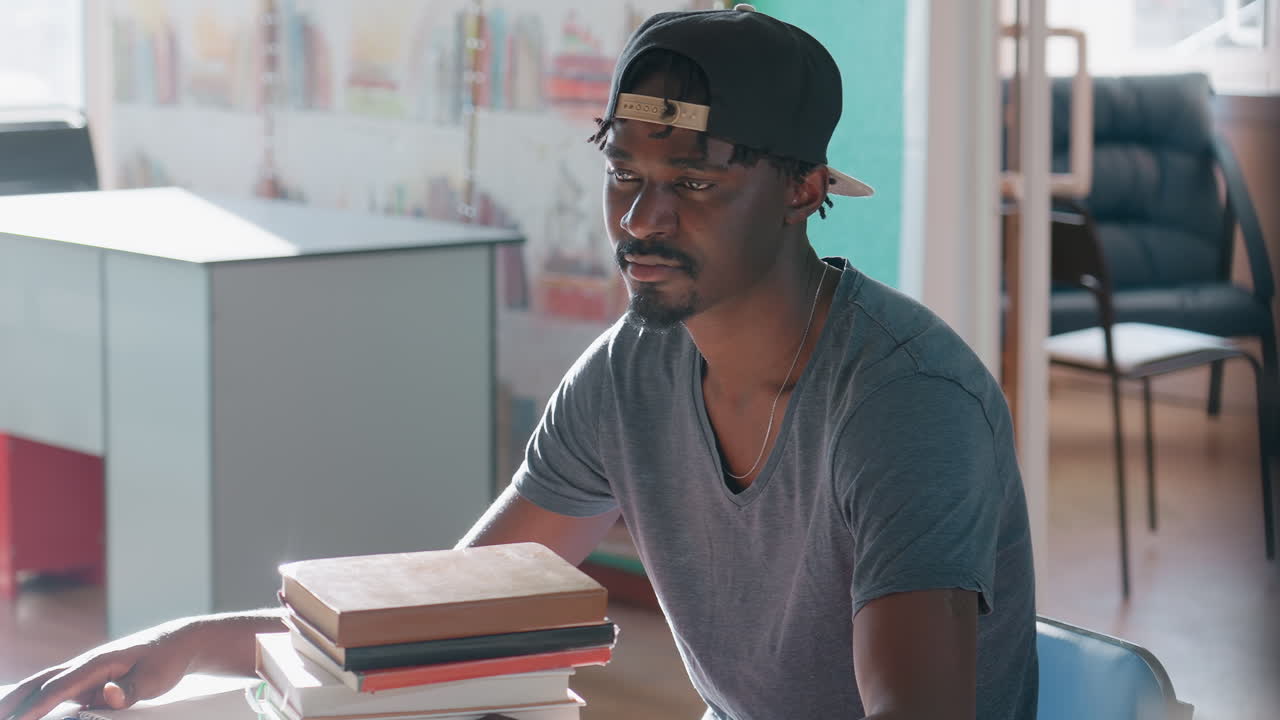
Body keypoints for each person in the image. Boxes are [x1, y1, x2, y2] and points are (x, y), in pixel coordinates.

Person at [0, 6, 1036, 720]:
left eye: (694, 182)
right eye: (623, 172)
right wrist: (189, 644)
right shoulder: (634, 372)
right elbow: (446, 615)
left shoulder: (901, 405)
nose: (640, 216)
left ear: (805, 189)